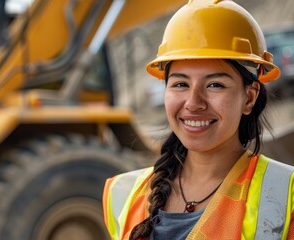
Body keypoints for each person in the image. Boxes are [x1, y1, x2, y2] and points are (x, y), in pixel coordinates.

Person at [102, 0, 294, 239]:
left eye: (215, 85)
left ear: (249, 98)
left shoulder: (285, 195)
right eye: (181, 84)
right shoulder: (123, 194)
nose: (193, 102)